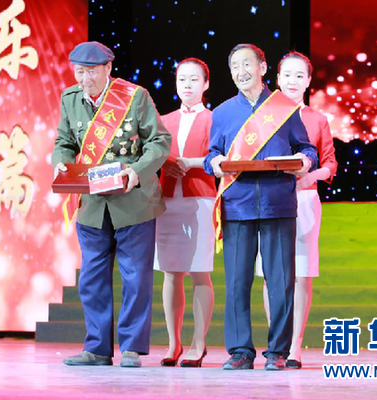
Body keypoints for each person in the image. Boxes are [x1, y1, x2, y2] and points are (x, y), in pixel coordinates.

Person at [52, 41, 171, 368]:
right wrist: (61, 162)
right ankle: (97, 349)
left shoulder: (135, 97)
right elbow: (64, 141)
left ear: (108, 68)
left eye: (91, 71)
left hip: (133, 200)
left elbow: (159, 141)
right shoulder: (70, 98)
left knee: (135, 277)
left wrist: (137, 171)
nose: (85, 79)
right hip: (91, 204)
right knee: (91, 278)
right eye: (79, 71)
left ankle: (131, 348)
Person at [204, 43, 318, 371]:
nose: (241, 72)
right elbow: (212, 154)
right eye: (235, 67)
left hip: (278, 203)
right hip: (237, 205)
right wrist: (216, 163)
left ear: (263, 68)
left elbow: (307, 149)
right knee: (237, 282)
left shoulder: (285, 108)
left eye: (247, 65)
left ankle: (278, 351)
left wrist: (303, 161)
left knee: (280, 280)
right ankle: (240, 351)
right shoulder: (222, 112)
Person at [255, 51, 338, 369]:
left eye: (299, 75)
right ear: (276, 79)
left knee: (301, 274)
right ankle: (277, 342)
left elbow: (329, 162)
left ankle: (295, 347)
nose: (292, 81)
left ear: (308, 81)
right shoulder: (261, 117)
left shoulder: (317, 119)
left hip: (304, 202)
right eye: (287, 75)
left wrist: (310, 175)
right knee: (270, 274)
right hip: (268, 200)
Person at [154, 58, 216, 368]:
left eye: (194, 79)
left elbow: (221, 157)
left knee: (199, 271)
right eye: (182, 79)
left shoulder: (214, 119)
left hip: (200, 198)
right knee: (171, 271)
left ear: (206, 84)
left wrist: (191, 163)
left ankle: (198, 343)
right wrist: (165, 163)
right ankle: (173, 343)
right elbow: (152, 154)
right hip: (167, 201)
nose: (187, 85)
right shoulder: (163, 120)